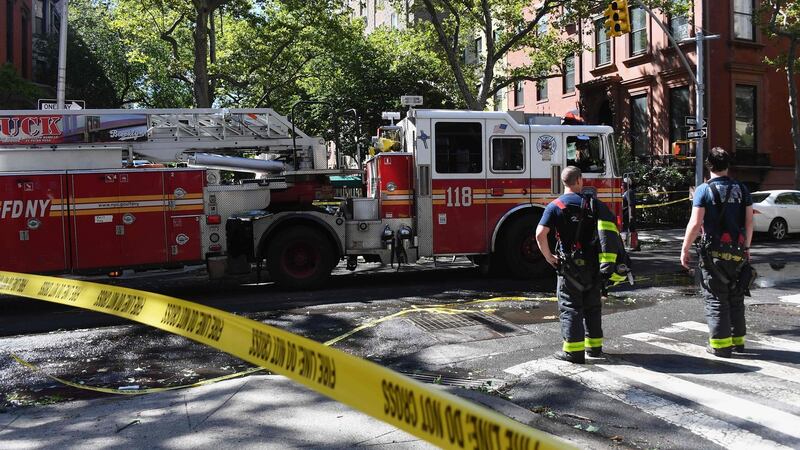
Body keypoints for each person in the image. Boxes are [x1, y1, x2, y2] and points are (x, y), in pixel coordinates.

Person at [535, 166, 627, 364]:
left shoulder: (555, 206)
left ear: (563, 182)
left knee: (570, 308)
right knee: (592, 307)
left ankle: (573, 353)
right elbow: (611, 232)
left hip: (568, 267)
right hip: (593, 266)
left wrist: (549, 257)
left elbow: (540, 234)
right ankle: (594, 349)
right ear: (579, 181)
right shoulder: (595, 205)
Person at [680, 147, 754, 358]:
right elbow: (749, 222)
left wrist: (685, 249)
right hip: (738, 251)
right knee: (736, 295)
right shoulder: (742, 189)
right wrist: (747, 249)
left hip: (713, 254)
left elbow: (695, 224)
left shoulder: (704, 190)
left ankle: (721, 346)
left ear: (709, 166)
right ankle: (738, 341)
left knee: (716, 297)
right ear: (727, 165)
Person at [621, 178, 640, 251]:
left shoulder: (629, 192)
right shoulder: (625, 192)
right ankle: (633, 245)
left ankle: (634, 245)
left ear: (627, 184)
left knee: (632, 229)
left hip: (628, 214)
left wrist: (631, 215)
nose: (622, 184)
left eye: (623, 183)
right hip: (625, 214)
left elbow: (631, 205)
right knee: (629, 229)